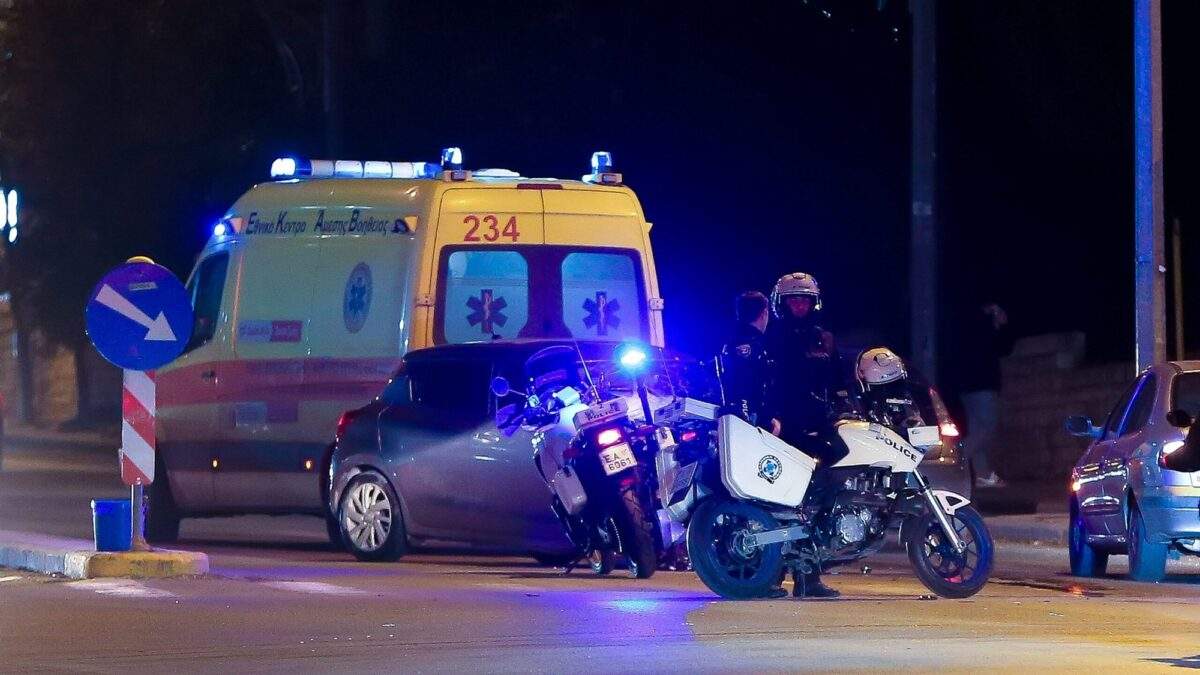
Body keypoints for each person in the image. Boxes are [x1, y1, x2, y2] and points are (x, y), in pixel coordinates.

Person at [765, 271, 846, 599]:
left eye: (804, 300)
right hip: (786, 427)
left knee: (836, 478)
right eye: (793, 300)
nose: (799, 305)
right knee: (786, 499)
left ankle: (811, 570)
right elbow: (768, 384)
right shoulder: (771, 337)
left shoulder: (824, 338)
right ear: (781, 304)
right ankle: (778, 575)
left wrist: (848, 404)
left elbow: (840, 380)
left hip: (821, 423)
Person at [958, 301, 1014, 488]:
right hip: (982, 384)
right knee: (986, 429)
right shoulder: (983, 323)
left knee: (977, 430)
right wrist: (1000, 325)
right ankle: (954, 460)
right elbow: (1004, 348)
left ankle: (983, 475)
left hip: (967, 385)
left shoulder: (966, 320)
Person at [718, 291, 781, 436]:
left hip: (733, 415)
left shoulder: (730, 343)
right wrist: (765, 418)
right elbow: (745, 383)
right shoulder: (753, 345)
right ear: (765, 313)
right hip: (748, 419)